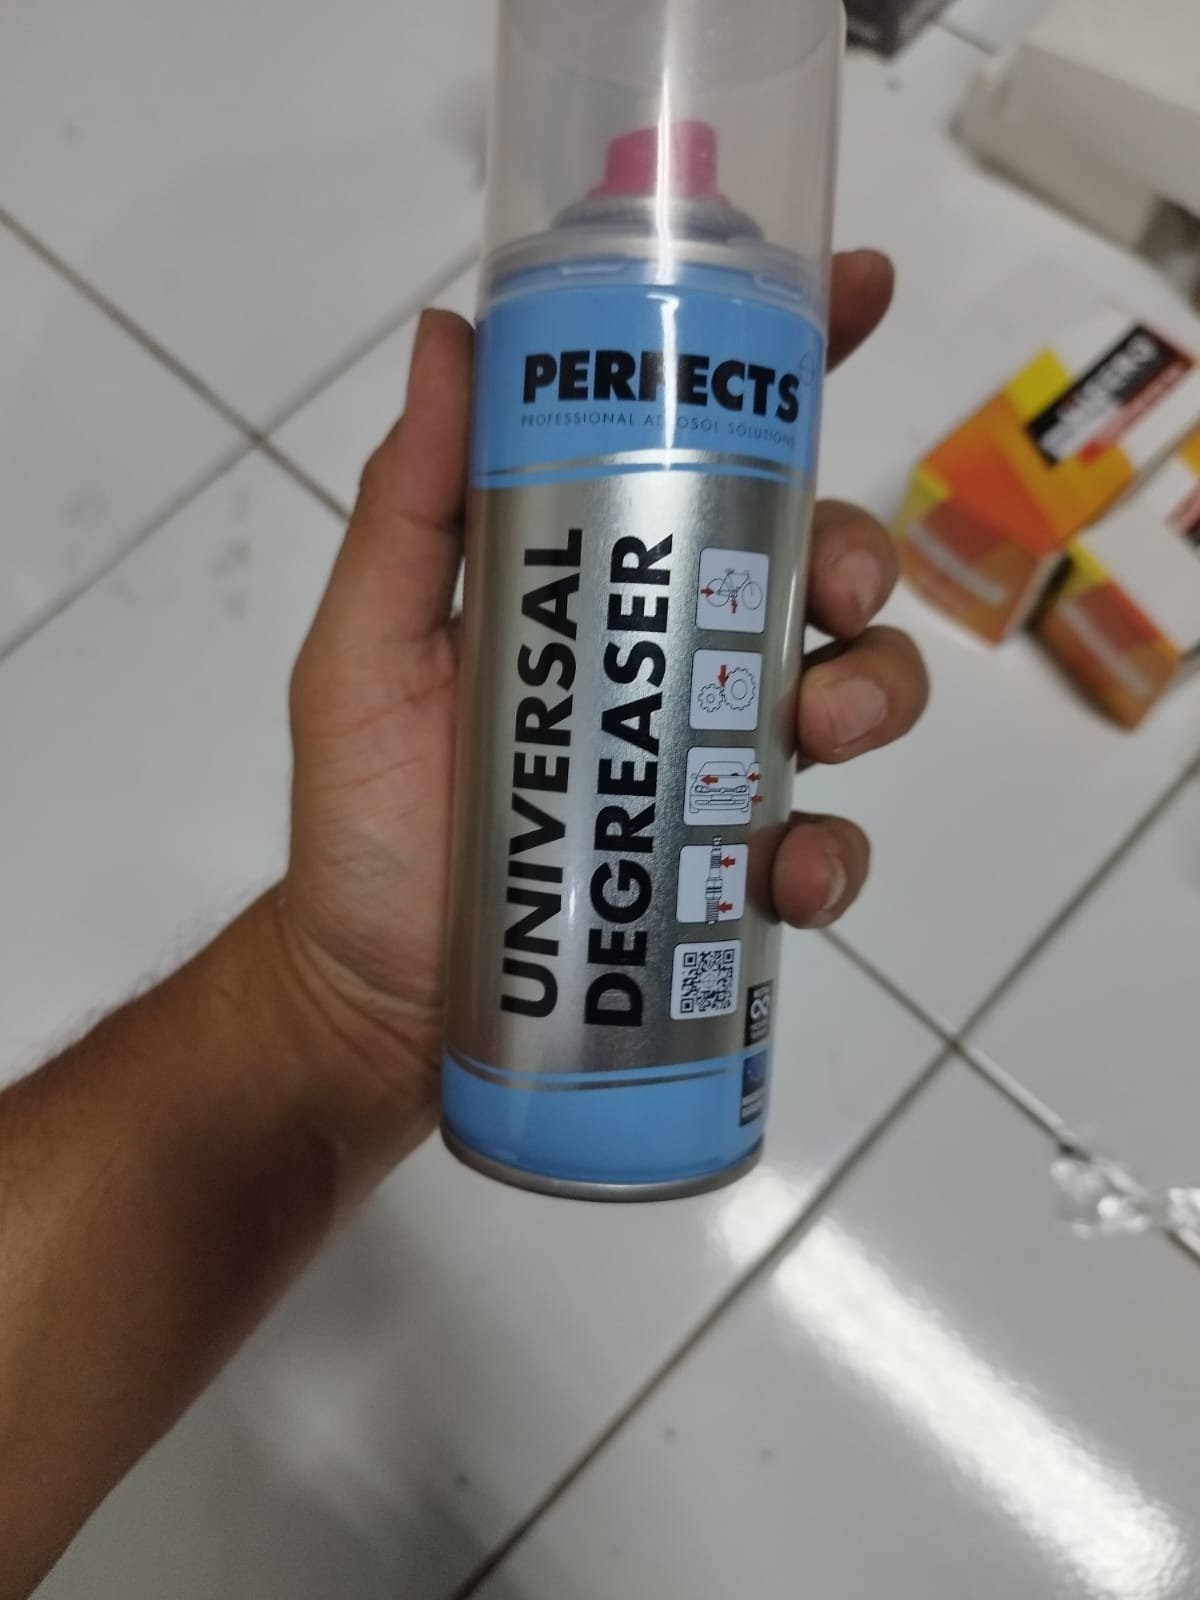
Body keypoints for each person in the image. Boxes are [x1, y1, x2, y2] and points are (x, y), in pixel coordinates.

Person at [0, 250, 927, 1597]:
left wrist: (329, 1017)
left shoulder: (645, 326)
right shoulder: (574, 320)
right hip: (486, 1008)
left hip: (577, 1031)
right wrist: (335, 1002)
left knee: (746, 649)